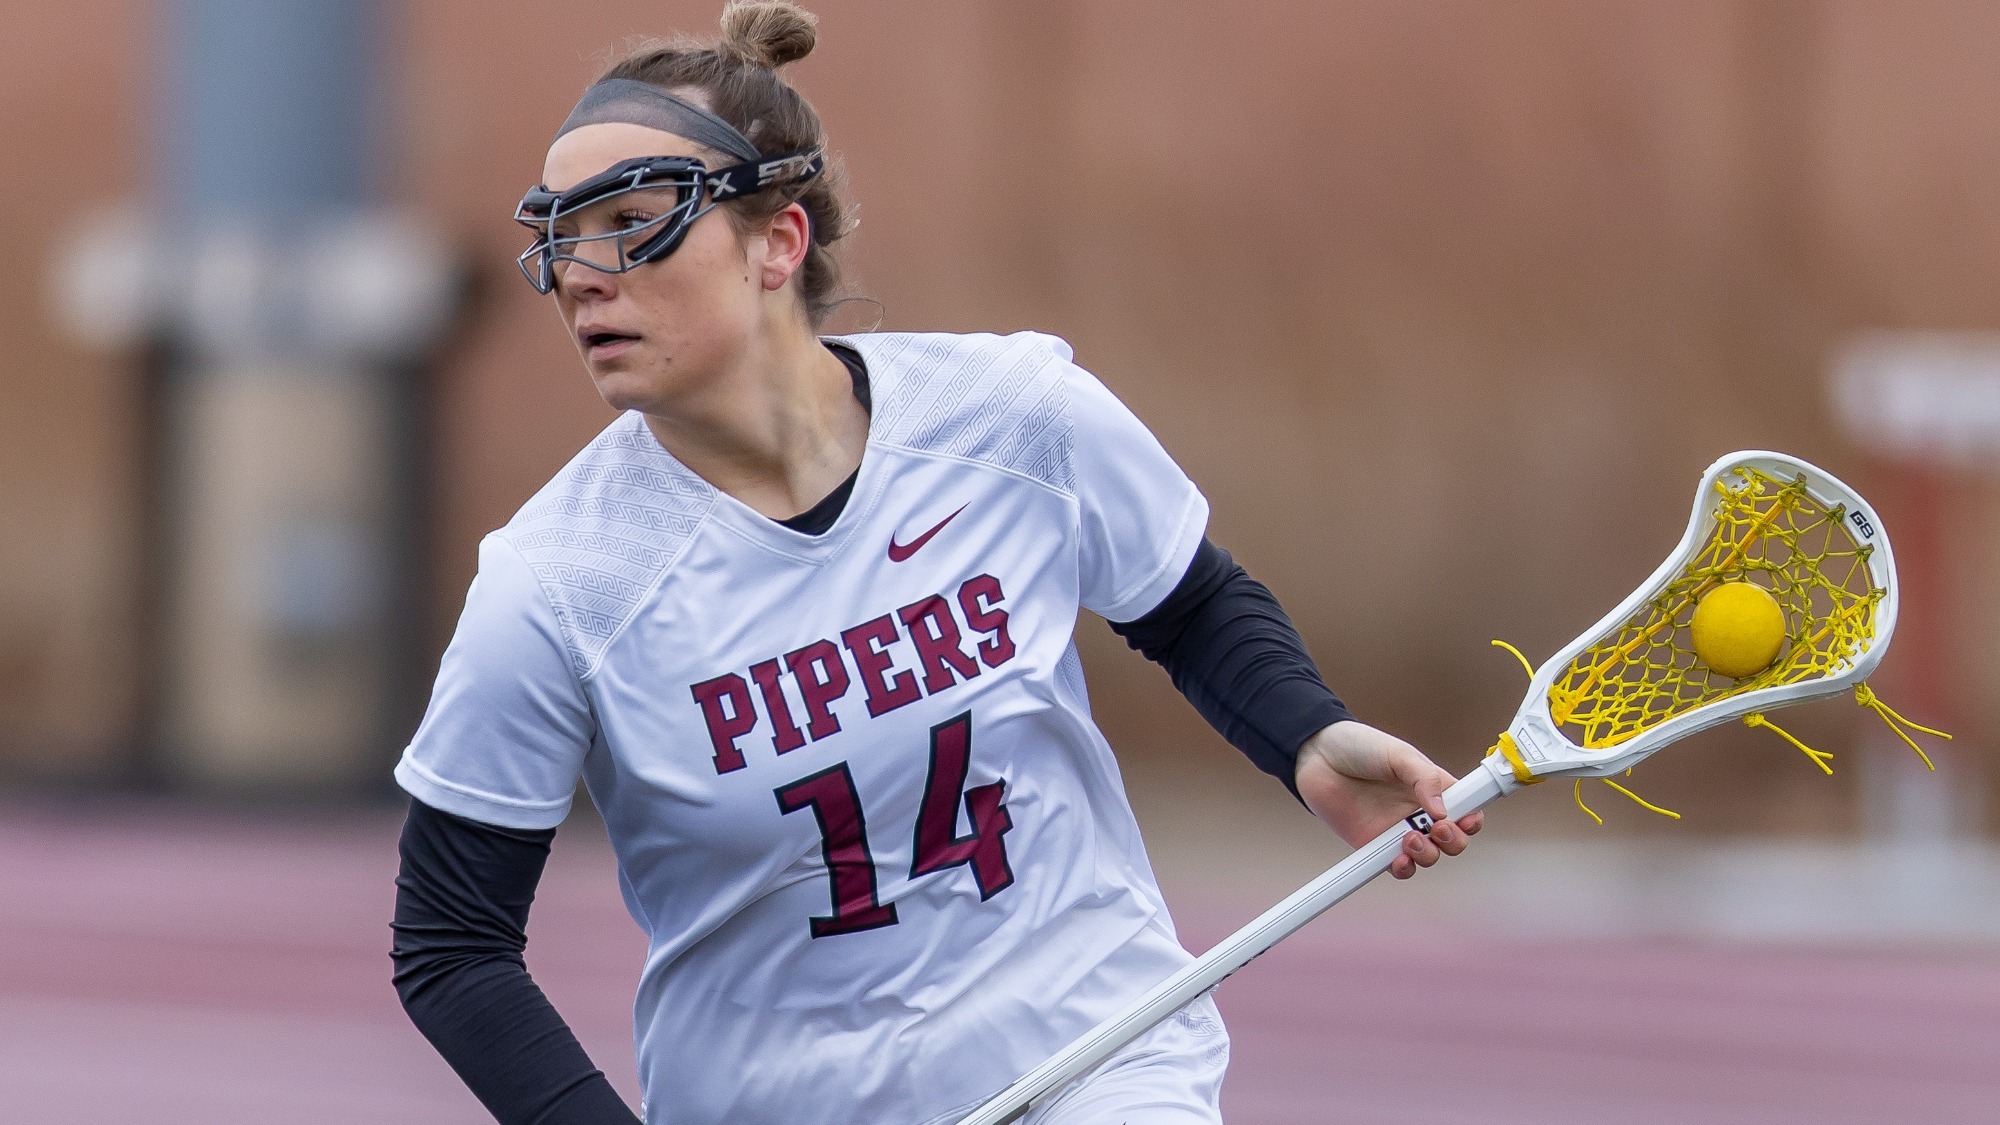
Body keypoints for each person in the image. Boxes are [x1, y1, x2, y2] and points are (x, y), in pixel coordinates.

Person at [389, 4, 1482, 1123]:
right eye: (563, 237)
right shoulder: (557, 580)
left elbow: (1186, 603)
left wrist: (1304, 733)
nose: (585, 274)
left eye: (633, 222)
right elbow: (451, 943)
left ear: (778, 242)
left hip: (1094, 1055)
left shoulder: (1012, 414)